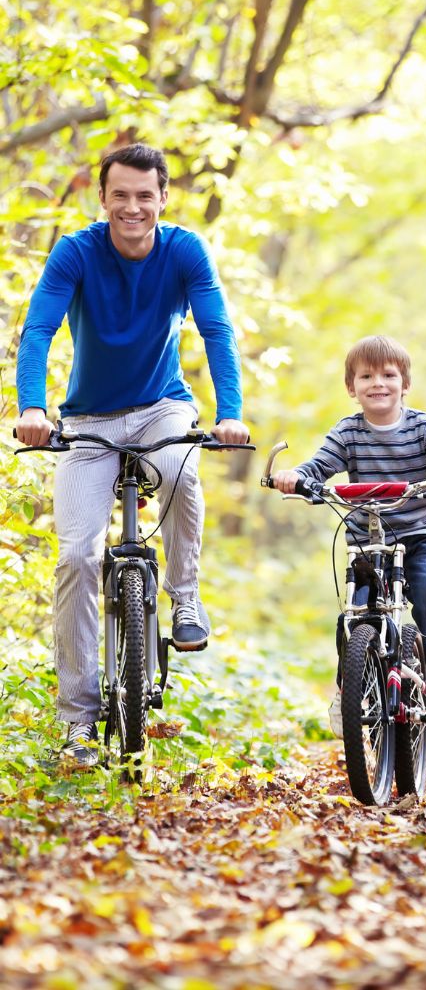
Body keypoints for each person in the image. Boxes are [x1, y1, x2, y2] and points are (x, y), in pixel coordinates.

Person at [15, 142, 249, 768]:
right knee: (75, 556)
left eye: (145, 195)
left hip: (160, 407)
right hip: (87, 419)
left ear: (163, 198)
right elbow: (38, 328)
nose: (132, 206)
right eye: (120, 194)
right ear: (103, 198)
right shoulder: (76, 252)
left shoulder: (185, 251)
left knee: (180, 470)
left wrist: (228, 414)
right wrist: (33, 407)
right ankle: (77, 725)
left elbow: (217, 330)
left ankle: (185, 593)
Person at [270, 334, 426, 734]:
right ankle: (350, 691)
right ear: (352, 388)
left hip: (420, 536)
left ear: (405, 384)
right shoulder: (347, 433)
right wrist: (296, 478)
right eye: (366, 376)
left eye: (388, 374)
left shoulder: (423, 427)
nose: (378, 383)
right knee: (354, 614)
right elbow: (318, 467)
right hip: (367, 539)